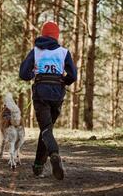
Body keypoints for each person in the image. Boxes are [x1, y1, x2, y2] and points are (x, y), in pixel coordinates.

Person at [19, 21, 77, 180]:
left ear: (43, 35)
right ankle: (38, 166)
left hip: (41, 94)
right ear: (56, 36)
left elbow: (24, 74)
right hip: (57, 95)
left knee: (46, 130)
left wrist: (33, 75)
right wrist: (64, 81)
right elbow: (73, 76)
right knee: (47, 130)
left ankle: (54, 154)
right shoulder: (64, 52)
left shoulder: (36, 51)